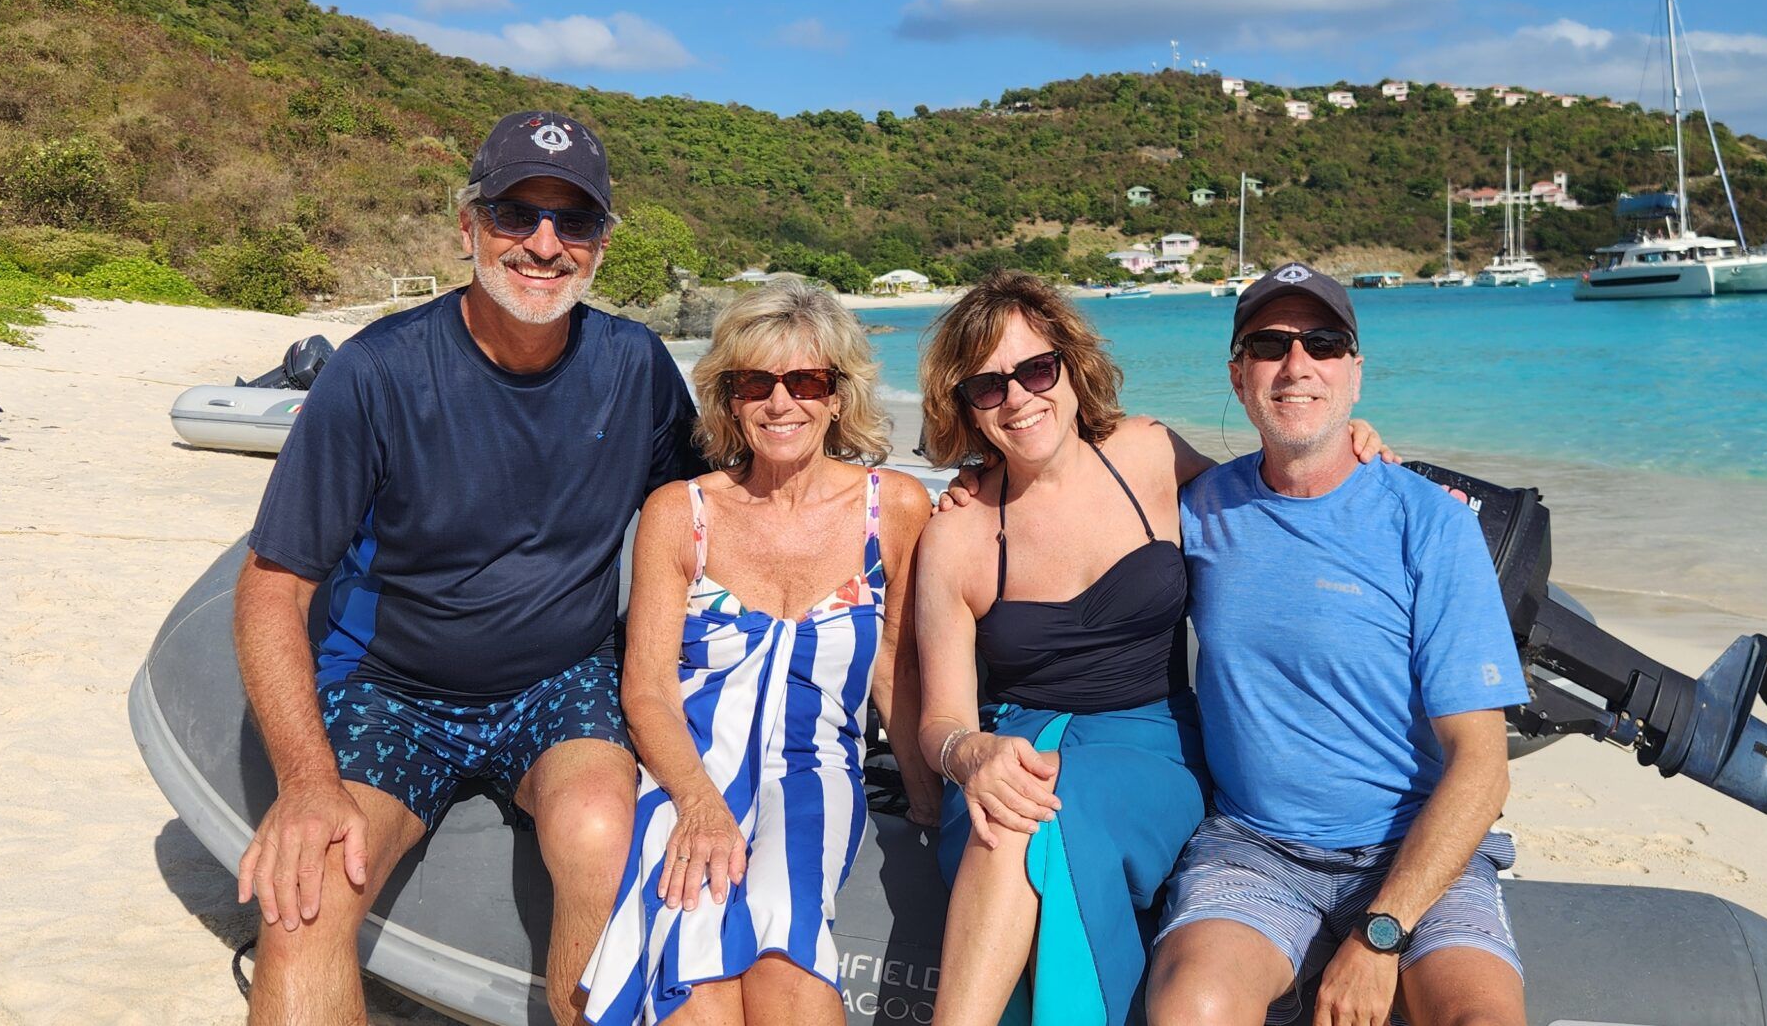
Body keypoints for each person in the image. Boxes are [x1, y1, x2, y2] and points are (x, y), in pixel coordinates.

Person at [233, 111, 702, 1026]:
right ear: (467, 225)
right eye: (516, 212)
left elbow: (705, 516)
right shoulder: (377, 372)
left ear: (601, 243)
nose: (543, 243)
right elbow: (270, 589)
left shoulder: (634, 365)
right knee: (306, 903)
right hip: (390, 684)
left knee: (606, 835)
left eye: (573, 222)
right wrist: (305, 782)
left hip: (558, 678)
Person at [910, 270, 1394, 1026]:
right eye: (987, 386)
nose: (1019, 398)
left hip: (1155, 743)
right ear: (965, 406)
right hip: (1012, 745)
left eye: (1036, 369)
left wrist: (1346, 439)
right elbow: (939, 718)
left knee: (1042, 815)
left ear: (1071, 366)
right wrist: (970, 756)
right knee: (1014, 810)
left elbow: (1274, 490)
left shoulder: (1145, 454)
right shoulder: (958, 531)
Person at [1148, 262, 1531, 1026]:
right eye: (1270, 345)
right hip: (1255, 847)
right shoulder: (1200, 508)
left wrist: (1381, 934)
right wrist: (968, 483)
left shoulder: (1432, 523)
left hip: (1418, 847)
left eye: (1323, 343)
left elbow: (1483, 769)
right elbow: (1076, 472)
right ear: (1238, 375)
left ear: (1353, 374)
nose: (1297, 364)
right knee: (1190, 1007)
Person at [582, 280, 936, 1026]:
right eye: (756, 383)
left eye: (805, 380)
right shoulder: (681, 513)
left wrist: (931, 797)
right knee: (694, 925)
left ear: (838, 395)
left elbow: (893, 670)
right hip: (689, 766)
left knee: (784, 920)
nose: (782, 403)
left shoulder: (894, 509)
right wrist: (698, 804)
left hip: (813, 768)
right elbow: (645, 689)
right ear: (730, 400)